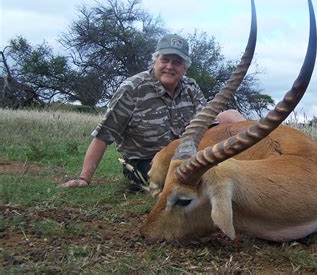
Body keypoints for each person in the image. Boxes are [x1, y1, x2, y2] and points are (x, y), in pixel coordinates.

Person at [59, 34, 245, 189]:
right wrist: (84, 178)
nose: (170, 66)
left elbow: (209, 127)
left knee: (231, 116)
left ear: (185, 67)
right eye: (165, 60)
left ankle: (256, 165)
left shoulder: (190, 86)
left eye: (177, 62)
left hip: (187, 154)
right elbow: (103, 136)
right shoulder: (132, 88)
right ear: (155, 60)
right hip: (148, 163)